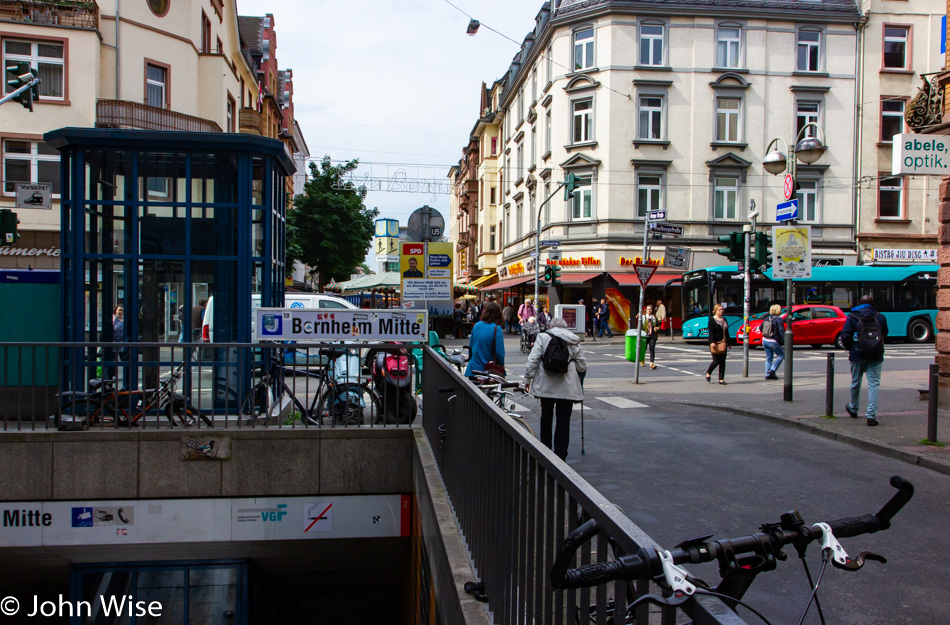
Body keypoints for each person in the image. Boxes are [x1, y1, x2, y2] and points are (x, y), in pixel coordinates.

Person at [524, 317, 587, 461]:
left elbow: (533, 359)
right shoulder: (573, 340)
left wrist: (527, 379)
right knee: (563, 420)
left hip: (546, 386)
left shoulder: (543, 337)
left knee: (546, 417)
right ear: (565, 327)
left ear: (551, 326)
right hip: (567, 388)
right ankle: (561, 455)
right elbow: (582, 365)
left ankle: (545, 451)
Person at [841, 295, 889, 426]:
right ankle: (871, 415)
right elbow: (885, 333)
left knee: (855, 381)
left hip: (857, 353)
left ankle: (853, 407)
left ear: (859, 303)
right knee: (874, 384)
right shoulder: (880, 316)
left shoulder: (852, 316)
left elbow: (845, 335)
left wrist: (850, 347)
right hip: (876, 354)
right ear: (872, 304)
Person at [465, 302, 506, 378]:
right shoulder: (497, 329)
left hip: (472, 370)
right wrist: (502, 366)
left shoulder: (477, 325)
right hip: (488, 371)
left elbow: (471, 347)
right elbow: (500, 354)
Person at [705, 304, 729, 384]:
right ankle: (708, 372)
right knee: (716, 361)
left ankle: (721, 379)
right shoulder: (712, 320)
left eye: (722, 309)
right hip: (714, 343)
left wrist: (729, 343)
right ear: (715, 310)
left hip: (723, 342)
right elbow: (711, 332)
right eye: (720, 309)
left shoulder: (724, 319)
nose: (721, 311)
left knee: (722, 361)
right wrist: (712, 342)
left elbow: (726, 332)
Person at [761, 304, 786, 380]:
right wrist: (783, 339)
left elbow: (760, 327)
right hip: (774, 341)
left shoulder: (766, 318)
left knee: (769, 358)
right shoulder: (779, 319)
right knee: (781, 355)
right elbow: (781, 330)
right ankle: (772, 370)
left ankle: (767, 374)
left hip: (765, 340)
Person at [638, 304, 659, 369]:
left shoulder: (654, 318)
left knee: (652, 349)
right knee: (643, 348)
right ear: (646, 310)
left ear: (652, 310)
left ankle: (651, 363)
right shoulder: (643, 317)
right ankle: (642, 360)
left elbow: (659, 325)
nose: (649, 310)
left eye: (650, 309)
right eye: (648, 309)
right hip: (644, 335)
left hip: (653, 335)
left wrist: (657, 328)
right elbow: (639, 327)